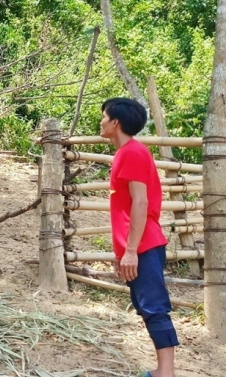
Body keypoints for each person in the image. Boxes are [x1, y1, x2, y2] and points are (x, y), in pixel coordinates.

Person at [100, 97, 178, 377]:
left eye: (104, 117)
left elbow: (140, 203)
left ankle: (165, 373)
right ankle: (162, 371)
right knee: (147, 306)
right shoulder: (127, 152)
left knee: (154, 306)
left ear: (115, 122)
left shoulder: (132, 152)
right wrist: (122, 253)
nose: (101, 122)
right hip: (137, 245)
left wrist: (131, 250)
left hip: (144, 244)